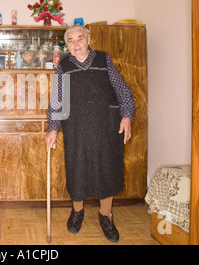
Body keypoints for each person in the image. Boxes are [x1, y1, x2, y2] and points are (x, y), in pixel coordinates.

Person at [45, 25, 135, 242]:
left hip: (106, 127)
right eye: (71, 41)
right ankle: (77, 212)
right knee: (77, 169)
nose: (76, 44)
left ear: (88, 39)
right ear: (66, 45)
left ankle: (105, 215)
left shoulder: (104, 60)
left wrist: (127, 116)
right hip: (76, 128)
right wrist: (53, 128)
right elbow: (58, 99)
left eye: (80, 38)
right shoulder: (63, 66)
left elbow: (122, 90)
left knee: (107, 170)